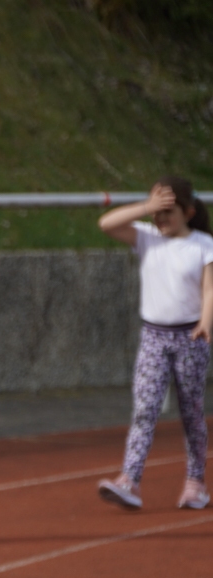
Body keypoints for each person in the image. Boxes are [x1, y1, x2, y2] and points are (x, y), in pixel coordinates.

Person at [96, 178, 213, 511]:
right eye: (157, 213)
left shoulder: (203, 244)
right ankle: (129, 480)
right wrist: (147, 207)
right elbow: (106, 223)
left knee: (191, 412)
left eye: (168, 212)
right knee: (144, 410)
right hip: (153, 337)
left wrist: (206, 321)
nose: (161, 220)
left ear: (188, 212)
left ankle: (196, 483)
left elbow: (209, 289)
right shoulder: (146, 238)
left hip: (190, 337)